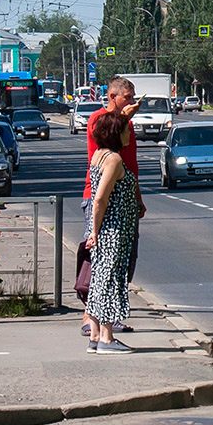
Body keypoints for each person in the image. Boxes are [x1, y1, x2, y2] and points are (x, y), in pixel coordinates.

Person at [80, 76, 143, 337]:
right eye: (127, 97)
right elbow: (105, 140)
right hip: (106, 203)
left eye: (133, 96)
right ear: (112, 97)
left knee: (123, 261)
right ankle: (96, 323)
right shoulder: (101, 120)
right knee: (104, 264)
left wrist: (138, 198)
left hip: (124, 202)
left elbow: (132, 167)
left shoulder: (124, 126)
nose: (133, 102)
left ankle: (106, 320)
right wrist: (126, 119)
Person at [84, 111, 138, 354]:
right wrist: (95, 232)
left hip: (105, 229)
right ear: (117, 133)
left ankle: (95, 335)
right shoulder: (113, 160)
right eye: (126, 130)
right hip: (112, 230)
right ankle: (107, 338)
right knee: (110, 280)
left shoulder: (99, 154)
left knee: (99, 280)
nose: (130, 135)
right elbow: (100, 199)